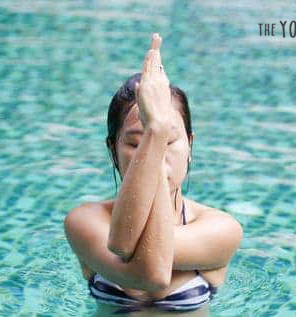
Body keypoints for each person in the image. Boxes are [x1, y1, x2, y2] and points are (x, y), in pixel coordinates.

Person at [64, 33, 243, 316]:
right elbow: (145, 271)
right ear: (113, 150)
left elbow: (148, 268)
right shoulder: (84, 222)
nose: (155, 153)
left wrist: (154, 134)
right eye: (137, 143)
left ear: (190, 145)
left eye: (168, 141)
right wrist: (157, 130)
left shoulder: (221, 228)